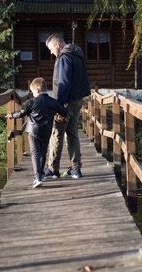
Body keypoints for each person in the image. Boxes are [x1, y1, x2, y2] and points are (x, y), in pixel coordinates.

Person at [43, 33, 91, 179]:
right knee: (73, 134)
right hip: (77, 100)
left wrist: (59, 106)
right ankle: (75, 169)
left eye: (51, 48)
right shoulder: (77, 53)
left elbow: (63, 83)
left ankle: (52, 170)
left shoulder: (64, 57)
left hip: (66, 102)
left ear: (57, 45)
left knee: (57, 134)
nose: (51, 52)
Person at [6, 78, 68, 188]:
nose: (33, 94)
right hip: (46, 131)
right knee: (43, 152)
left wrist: (11, 115)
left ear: (38, 90)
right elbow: (63, 111)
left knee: (35, 153)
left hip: (33, 131)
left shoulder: (32, 102)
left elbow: (22, 113)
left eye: (33, 92)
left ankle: (37, 177)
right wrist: (61, 116)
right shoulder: (53, 102)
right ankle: (41, 174)